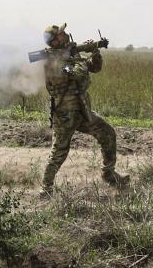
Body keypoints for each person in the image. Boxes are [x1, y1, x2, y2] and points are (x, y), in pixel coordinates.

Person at [41, 23, 129, 195]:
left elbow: (93, 68)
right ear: (55, 41)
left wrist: (95, 53)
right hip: (65, 114)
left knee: (107, 133)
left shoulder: (68, 54)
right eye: (61, 33)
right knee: (60, 151)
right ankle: (46, 188)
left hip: (82, 111)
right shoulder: (52, 61)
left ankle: (109, 174)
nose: (65, 34)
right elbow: (75, 72)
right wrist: (78, 55)